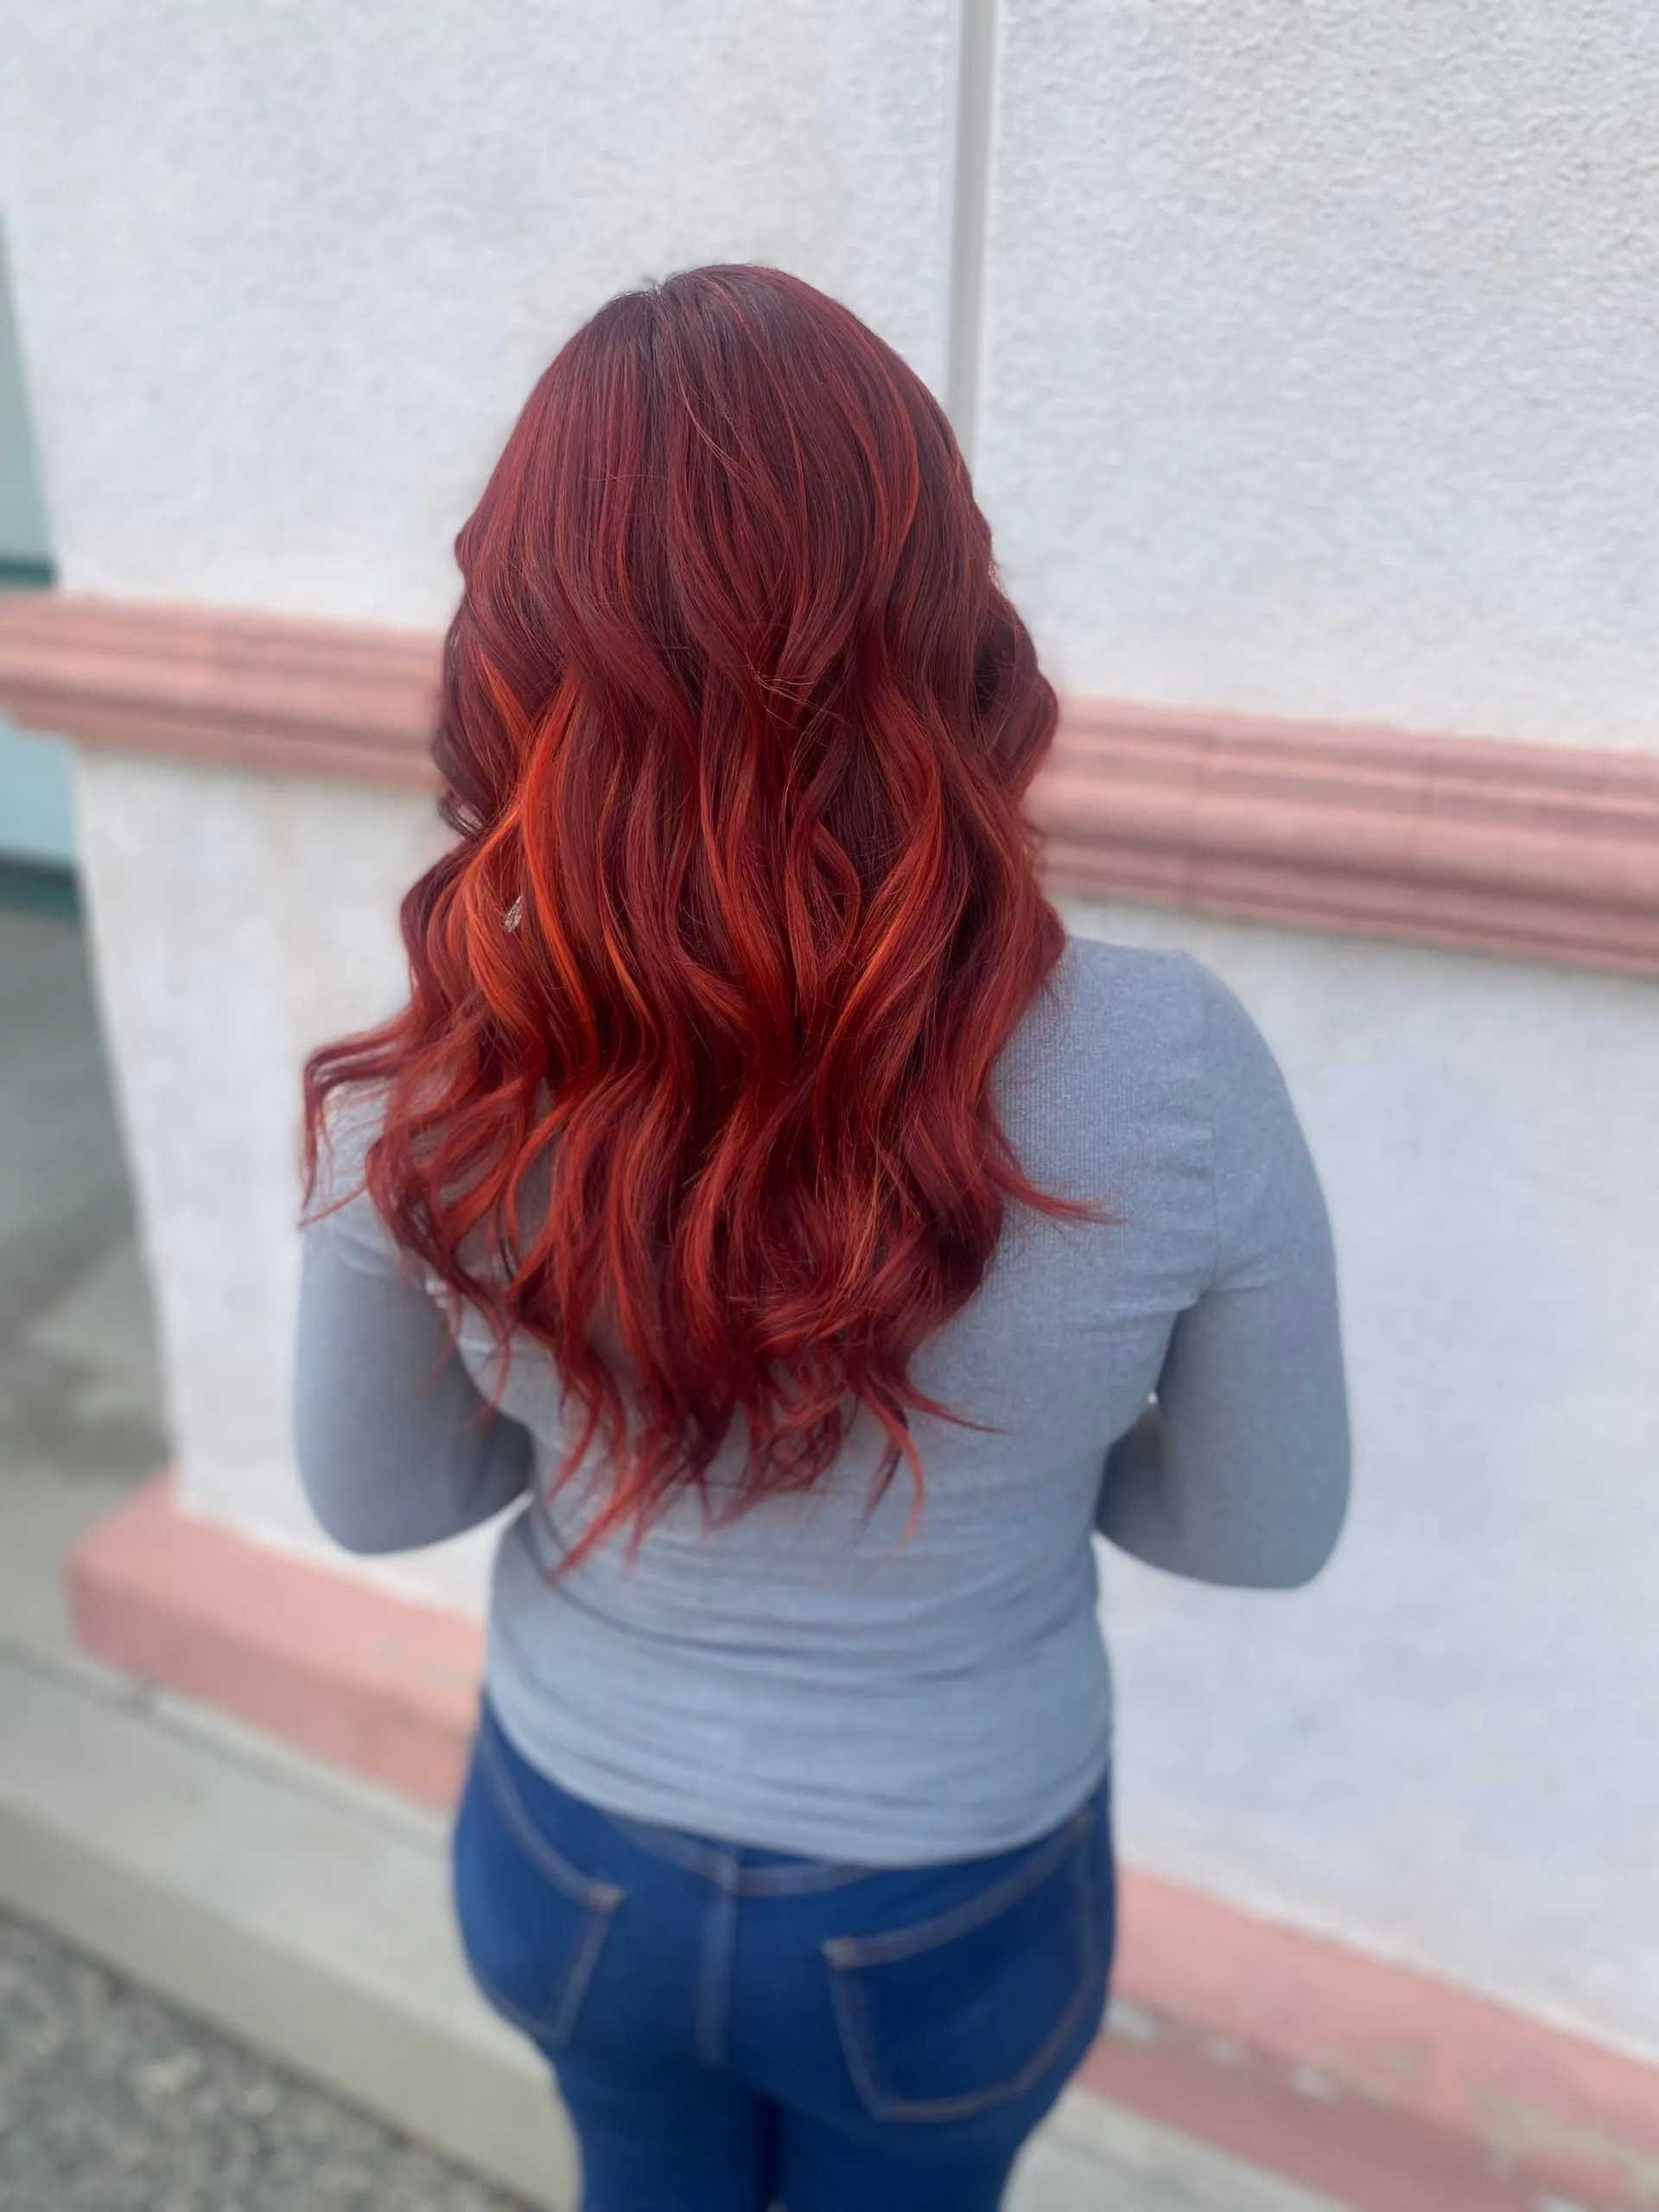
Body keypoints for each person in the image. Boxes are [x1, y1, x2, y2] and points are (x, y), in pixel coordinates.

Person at [293, 264, 1349, 2212]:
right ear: (950, 609)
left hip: (571, 1852)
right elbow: (1263, 1530)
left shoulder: (424, 1082)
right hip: (952, 1896)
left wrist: (587, 1390)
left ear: (515, 647)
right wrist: (1030, 1428)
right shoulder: (1173, 1063)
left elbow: (370, 1503)